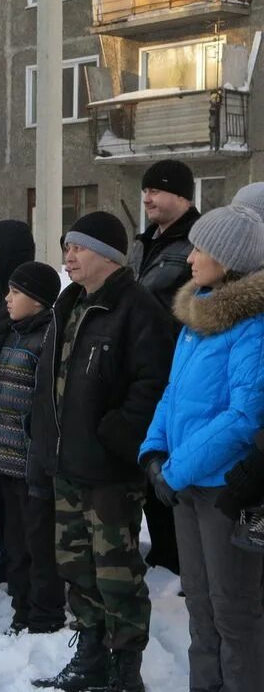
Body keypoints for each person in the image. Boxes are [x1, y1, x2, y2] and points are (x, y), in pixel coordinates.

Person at [29, 212, 174, 692]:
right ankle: (90, 654)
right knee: (76, 567)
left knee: (117, 573)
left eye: (79, 248)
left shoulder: (139, 309)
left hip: (109, 471)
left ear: (109, 257)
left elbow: (154, 385)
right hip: (66, 463)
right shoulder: (68, 303)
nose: (68, 256)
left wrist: (118, 436)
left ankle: (125, 670)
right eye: (67, 246)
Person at [138, 204, 264, 692]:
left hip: (226, 491)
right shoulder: (198, 317)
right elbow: (174, 393)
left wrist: (177, 469)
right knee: (201, 607)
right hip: (186, 485)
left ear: (229, 259)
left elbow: (245, 416)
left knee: (235, 612)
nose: (191, 257)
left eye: (202, 248)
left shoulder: (251, 325)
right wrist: (154, 453)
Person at [129, 159, 201, 576]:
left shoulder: (196, 243)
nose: (147, 197)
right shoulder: (143, 243)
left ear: (182, 196)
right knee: (147, 458)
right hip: (142, 367)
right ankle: (160, 552)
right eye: (145, 190)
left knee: (173, 463)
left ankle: (177, 560)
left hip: (177, 366)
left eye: (156, 190)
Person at [0, 261, 65, 636]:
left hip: (30, 462)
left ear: (37, 300)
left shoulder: (48, 339)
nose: (7, 298)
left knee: (37, 545)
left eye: (16, 292)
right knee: (14, 542)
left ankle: (44, 614)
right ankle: (21, 606)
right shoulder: (17, 333)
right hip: (3, 459)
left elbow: (47, 408)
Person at [0, 219, 35, 586]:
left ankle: (22, 573)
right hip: (0, 422)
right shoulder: (2, 295)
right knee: (1, 499)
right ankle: (11, 566)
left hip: (20, 426)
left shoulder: (25, 299)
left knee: (20, 508)